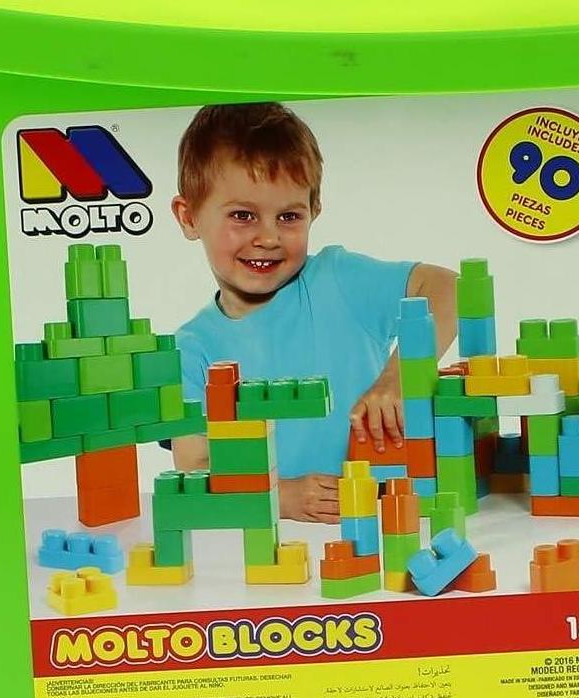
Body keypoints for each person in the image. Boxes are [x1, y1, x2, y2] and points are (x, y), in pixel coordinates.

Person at [170, 102, 456, 523]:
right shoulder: (191, 349)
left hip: (389, 523)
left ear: (314, 210)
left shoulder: (338, 280)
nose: (268, 237)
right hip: (272, 542)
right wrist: (281, 498)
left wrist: (399, 377)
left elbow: (449, 288)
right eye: (243, 216)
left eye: (289, 216)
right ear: (189, 217)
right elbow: (194, 468)